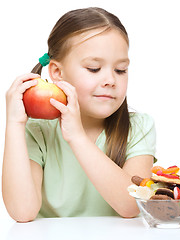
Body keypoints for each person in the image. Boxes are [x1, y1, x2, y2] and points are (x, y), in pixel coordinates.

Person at [2, 7, 156, 222]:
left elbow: (132, 205)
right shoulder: (37, 130)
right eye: (94, 68)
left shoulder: (138, 127)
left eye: (120, 70)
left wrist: (77, 137)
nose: (110, 80)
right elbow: (22, 212)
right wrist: (14, 124)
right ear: (57, 72)